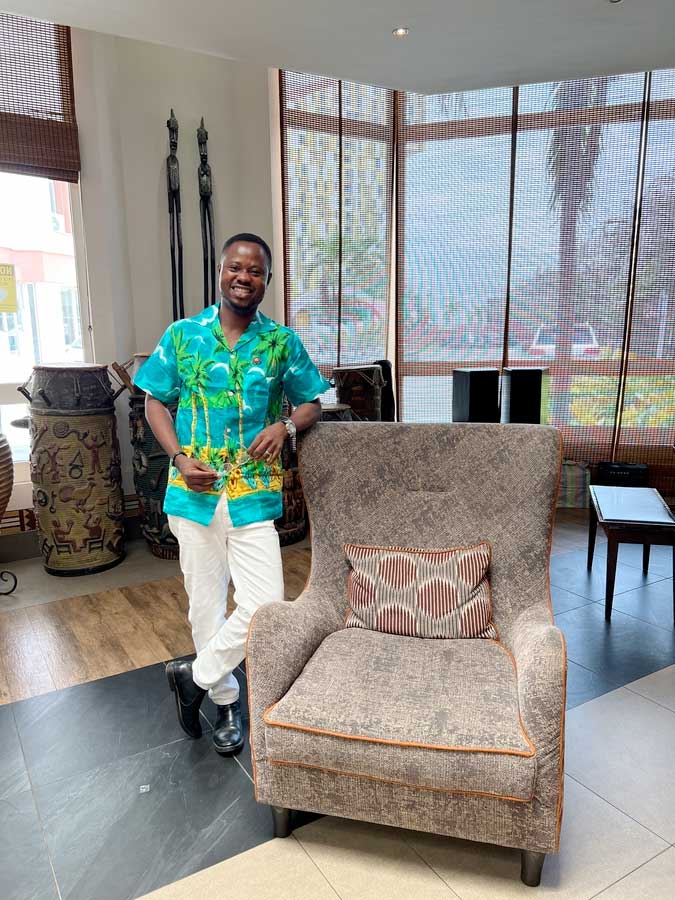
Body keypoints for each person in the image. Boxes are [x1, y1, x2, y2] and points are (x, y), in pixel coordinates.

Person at [134, 233, 330, 756]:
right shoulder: (183, 335)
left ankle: (192, 677)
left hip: (251, 491)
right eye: (235, 268)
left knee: (265, 601)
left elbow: (311, 401)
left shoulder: (280, 342)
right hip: (193, 491)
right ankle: (224, 700)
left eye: (255, 271)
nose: (244, 278)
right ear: (220, 273)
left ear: (267, 280)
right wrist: (179, 456)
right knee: (204, 606)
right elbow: (154, 401)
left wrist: (286, 426)